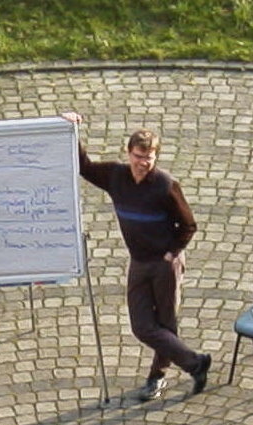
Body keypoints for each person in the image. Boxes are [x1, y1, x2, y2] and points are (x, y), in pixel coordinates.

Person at [63, 111, 210, 401]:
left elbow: (189, 224)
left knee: (166, 323)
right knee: (143, 326)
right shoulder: (115, 176)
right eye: (138, 156)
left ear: (156, 158)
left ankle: (157, 378)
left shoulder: (165, 185)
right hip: (139, 261)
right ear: (129, 153)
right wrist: (72, 131)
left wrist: (172, 253)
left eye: (149, 158)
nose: (143, 163)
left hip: (165, 264)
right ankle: (195, 362)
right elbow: (84, 167)